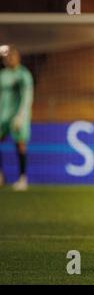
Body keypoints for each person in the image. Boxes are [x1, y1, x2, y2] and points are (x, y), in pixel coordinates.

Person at [0, 45, 34, 191]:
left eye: (12, 56)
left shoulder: (23, 75)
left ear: (18, 58)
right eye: (7, 57)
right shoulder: (3, 75)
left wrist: (21, 115)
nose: (10, 59)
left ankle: (22, 178)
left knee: (20, 144)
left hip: (18, 116)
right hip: (3, 115)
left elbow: (27, 96)